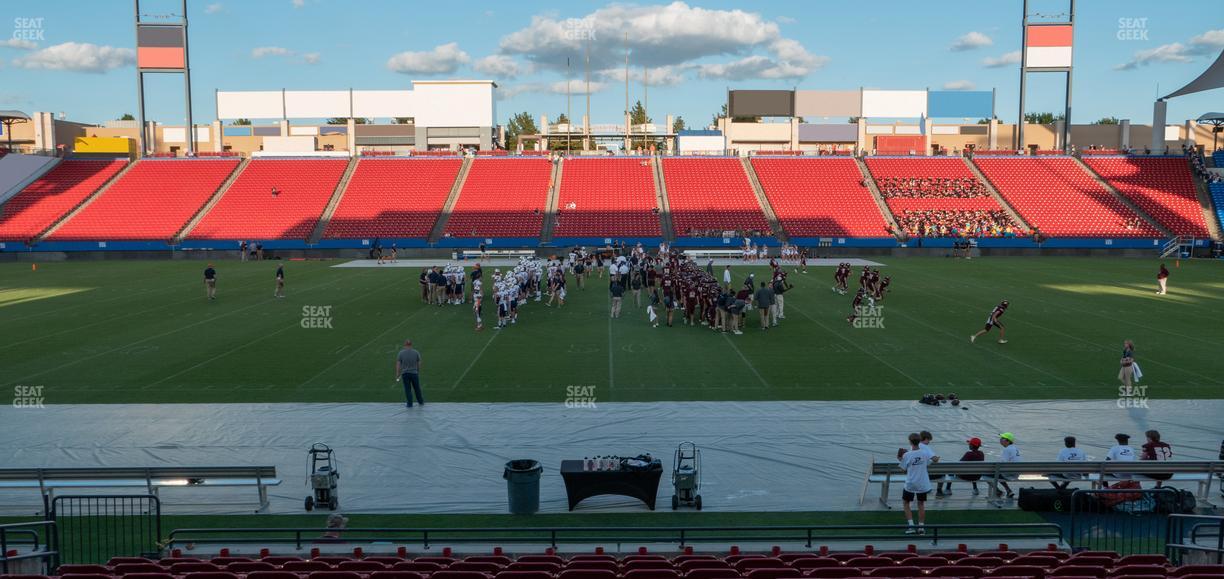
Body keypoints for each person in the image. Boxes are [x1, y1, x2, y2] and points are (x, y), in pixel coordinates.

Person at [899, 432, 937, 535]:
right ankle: (921, 527)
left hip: (910, 483)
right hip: (922, 484)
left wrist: (900, 459)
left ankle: (911, 526)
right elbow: (930, 462)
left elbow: (903, 470)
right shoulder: (925, 454)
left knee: (906, 503)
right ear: (919, 441)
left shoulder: (907, 455)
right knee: (921, 504)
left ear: (910, 442)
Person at [395, 339, 424, 408]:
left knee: (408, 389)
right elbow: (419, 363)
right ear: (411, 345)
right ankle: (420, 401)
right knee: (417, 388)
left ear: (405, 345)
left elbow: (398, 364)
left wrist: (397, 373)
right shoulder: (416, 352)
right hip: (414, 373)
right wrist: (418, 371)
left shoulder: (401, 353)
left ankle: (410, 404)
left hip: (405, 374)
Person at [997, 432, 1020, 498]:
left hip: (1009, 474)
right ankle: (1008, 490)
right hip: (1016, 474)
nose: (1000, 439)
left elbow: (1003, 463)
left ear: (1008, 441)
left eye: (1002, 438)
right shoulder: (1015, 449)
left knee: (986, 475)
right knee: (996, 473)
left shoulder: (1007, 449)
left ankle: (998, 491)